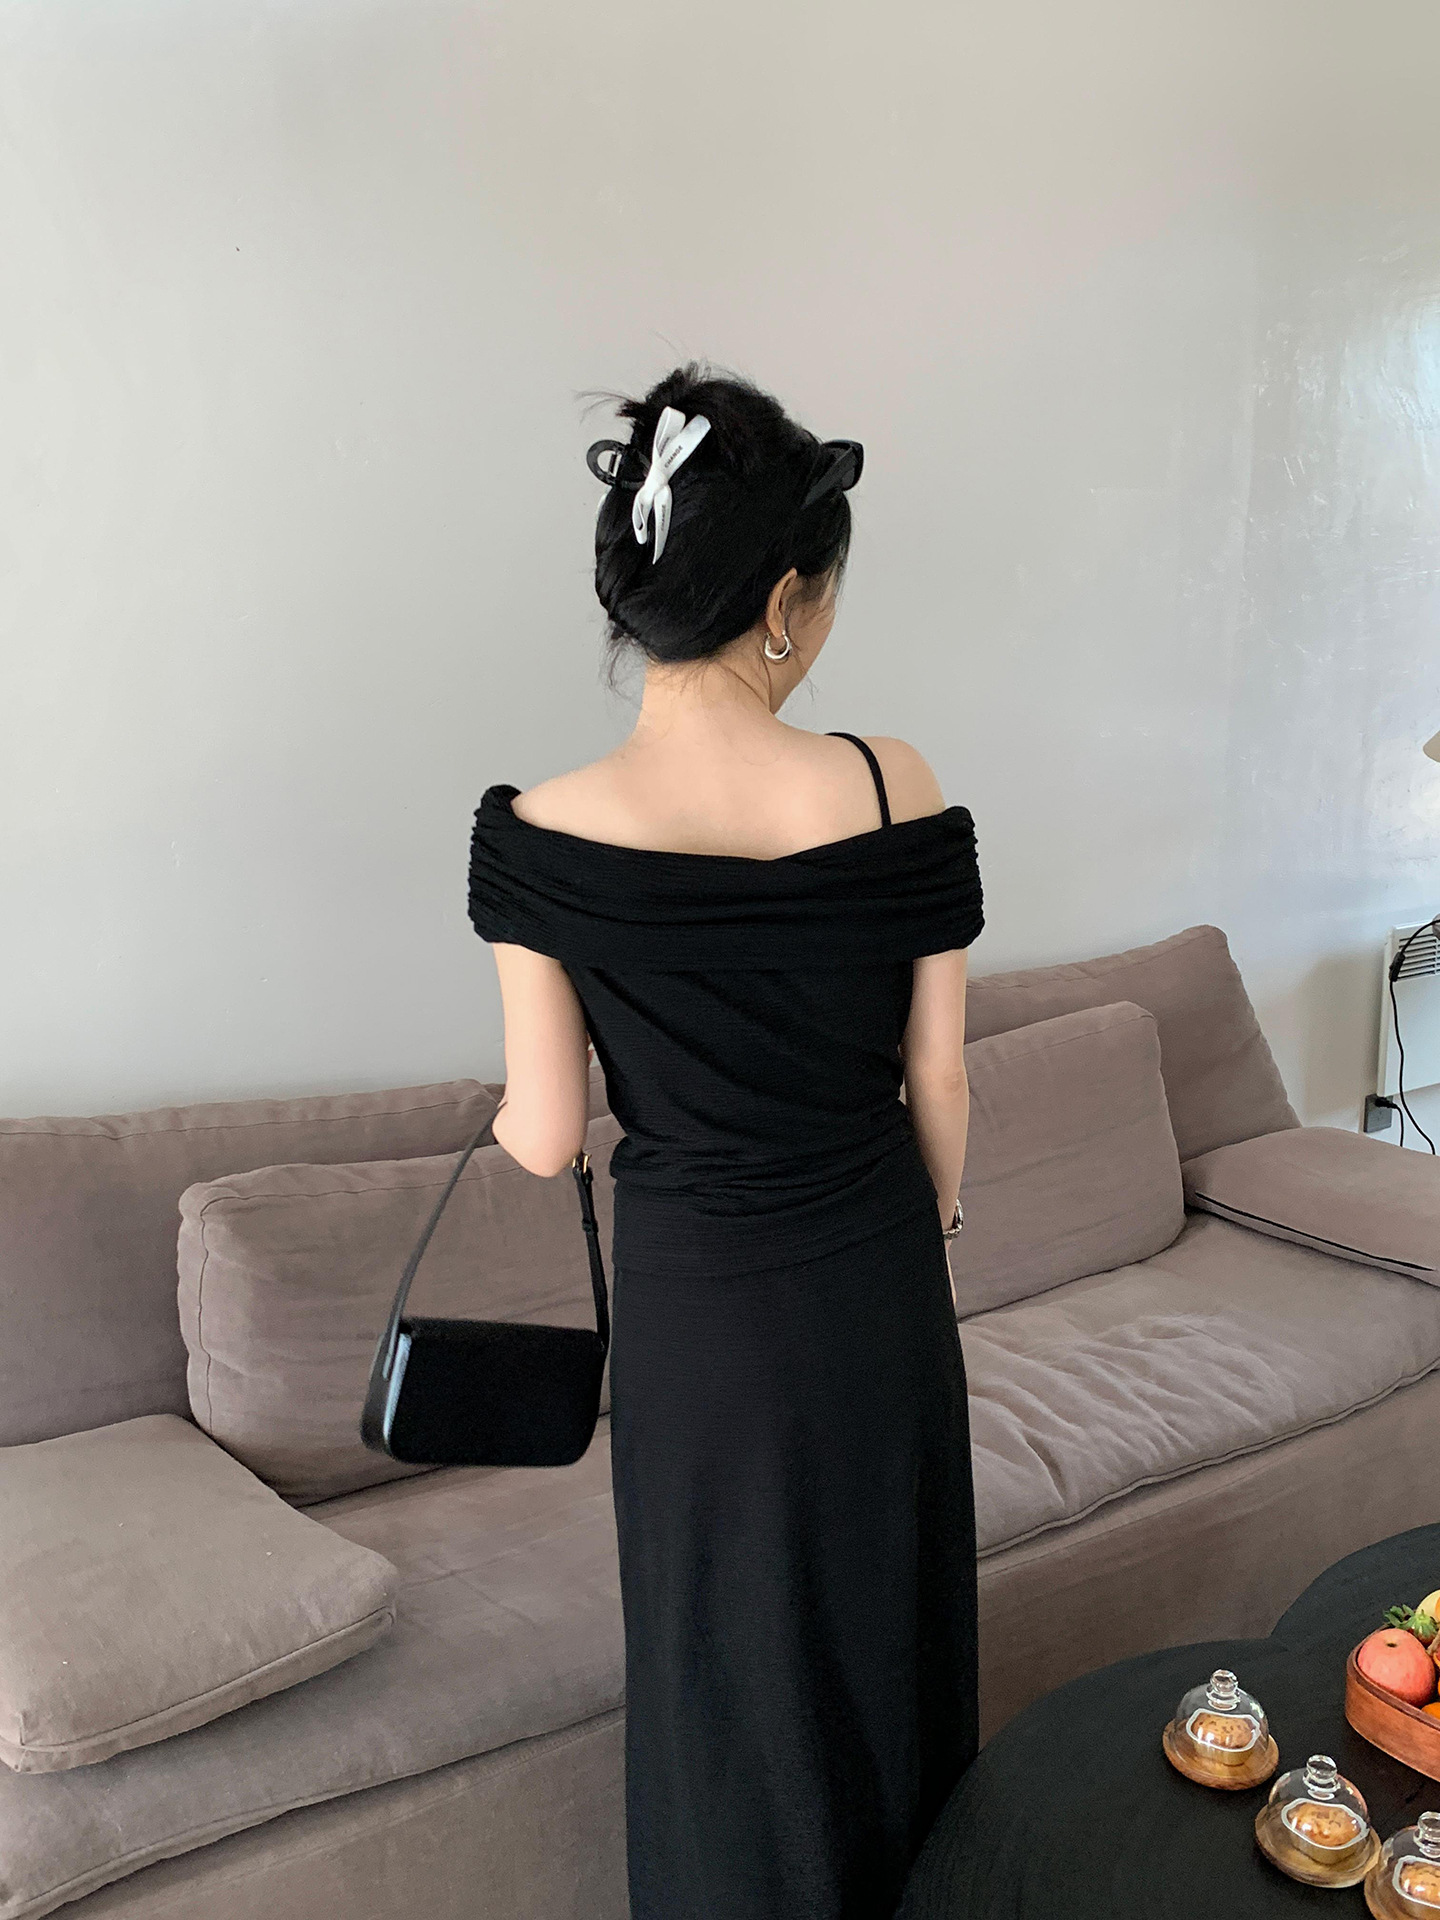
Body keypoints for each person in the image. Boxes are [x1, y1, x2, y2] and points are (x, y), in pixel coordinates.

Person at [466, 361, 984, 1920]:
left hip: (697, 1312)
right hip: (877, 1280)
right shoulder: (893, 783)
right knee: (888, 1631)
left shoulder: (537, 836)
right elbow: (940, 1081)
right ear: (781, 601)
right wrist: (926, 1235)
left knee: (721, 1661)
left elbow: (544, 1136)